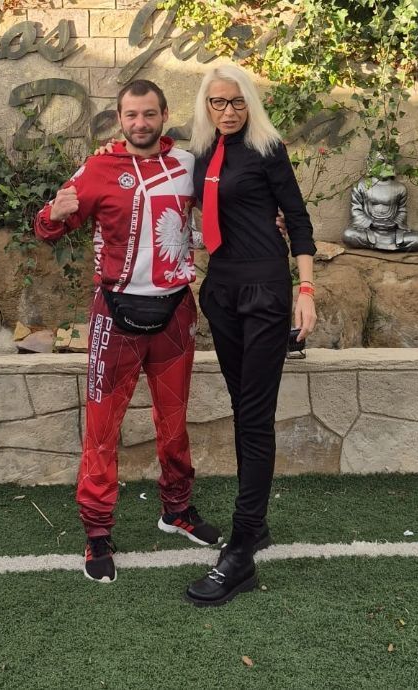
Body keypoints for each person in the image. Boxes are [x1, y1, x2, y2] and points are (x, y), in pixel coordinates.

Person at [34, 79, 222, 584]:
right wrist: (54, 214)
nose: (141, 123)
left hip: (175, 313)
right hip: (114, 314)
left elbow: (223, 208)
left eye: (149, 114)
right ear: (119, 119)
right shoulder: (97, 168)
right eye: (131, 115)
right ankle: (97, 532)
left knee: (174, 424)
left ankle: (176, 510)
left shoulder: (187, 165)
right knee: (102, 430)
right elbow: (47, 227)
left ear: (164, 115)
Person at [184, 65, 317, 607]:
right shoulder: (200, 153)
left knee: (256, 417)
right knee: (243, 411)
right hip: (221, 292)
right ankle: (255, 525)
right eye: (218, 102)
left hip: (264, 291)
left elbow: (298, 219)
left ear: (250, 104)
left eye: (237, 102)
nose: (228, 111)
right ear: (206, 105)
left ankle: (240, 551)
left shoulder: (268, 149)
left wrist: (306, 290)